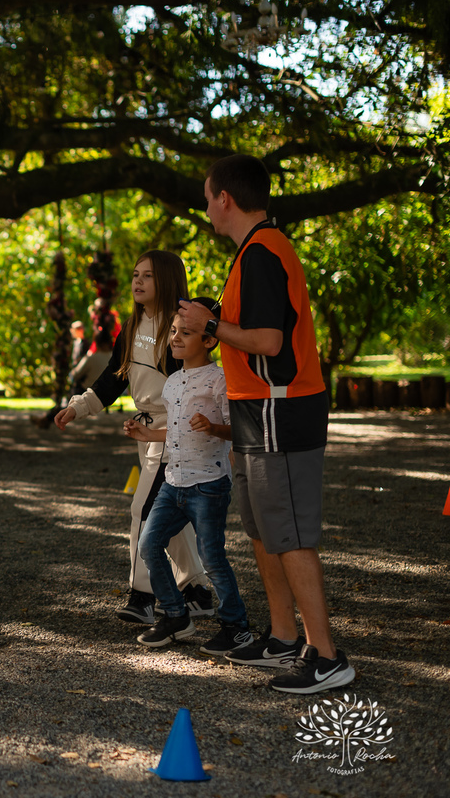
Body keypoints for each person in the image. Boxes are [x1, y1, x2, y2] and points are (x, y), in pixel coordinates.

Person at [177, 154, 354, 694]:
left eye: (208, 198)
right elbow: (248, 331)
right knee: (262, 528)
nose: (206, 208)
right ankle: (282, 638)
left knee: (291, 532)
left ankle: (325, 655)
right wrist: (217, 324)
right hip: (257, 407)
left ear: (224, 198)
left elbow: (271, 343)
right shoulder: (251, 253)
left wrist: (210, 323)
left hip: (282, 406)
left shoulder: (262, 252)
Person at [54, 251, 211, 625]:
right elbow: (114, 376)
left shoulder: (180, 326)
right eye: (135, 275)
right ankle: (198, 591)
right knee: (170, 515)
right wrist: (79, 406)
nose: (137, 282)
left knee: (144, 511)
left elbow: (197, 379)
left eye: (148, 276)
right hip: (147, 433)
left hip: (174, 433)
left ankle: (143, 595)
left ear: (169, 281)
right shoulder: (134, 323)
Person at [124, 299, 252, 655]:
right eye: (174, 332)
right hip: (173, 482)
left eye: (186, 333)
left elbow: (238, 429)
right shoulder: (173, 382)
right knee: (150, 544)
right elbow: (176, 430)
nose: (176, 338)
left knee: (212, 557)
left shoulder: (219, 380)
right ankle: (177, 616)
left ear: (209, 340)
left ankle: (235, 625)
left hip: (208, 485)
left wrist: (213, 427)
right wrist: (146, 435)